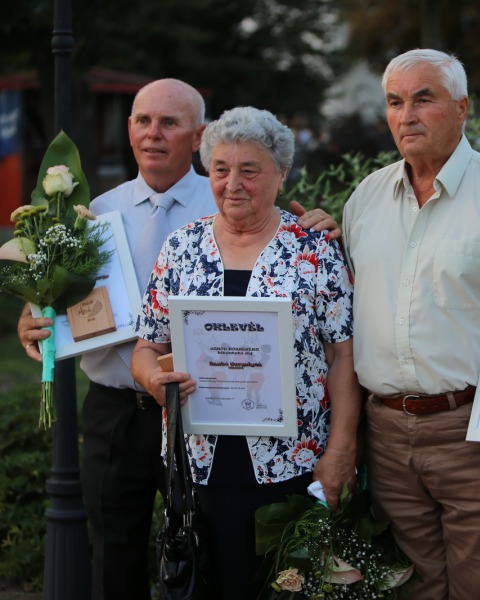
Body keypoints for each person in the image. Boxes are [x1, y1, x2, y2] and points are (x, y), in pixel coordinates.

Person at [15, 79, 337, 600]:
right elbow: (64, 301)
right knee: (115, 556)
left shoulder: (235, 209)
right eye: (143, 121)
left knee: (197, 558)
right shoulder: (92, 214)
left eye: (169, 123)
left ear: (198, 136)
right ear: (128, 129)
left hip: (203, 423)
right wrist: (35, 318)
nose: (153, 134)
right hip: (118, 411)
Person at [341, 49, 480, 600]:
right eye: (394, 102)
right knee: (411, 590)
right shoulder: (365, 200)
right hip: (386, 435)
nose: (406, 115)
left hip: (478, 435)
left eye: (423, 99)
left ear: (462, 108)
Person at [130, 106, 359, 599]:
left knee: (286, 589)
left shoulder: (314, 250)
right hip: (200, 466)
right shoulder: (180, 248)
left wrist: (341, 451)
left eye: (249, 171)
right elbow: (147, 347)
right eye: (220, 170)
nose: (233, 183)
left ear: (280, 174)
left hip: (292, 465)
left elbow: (345, 356)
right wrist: (153, 380)